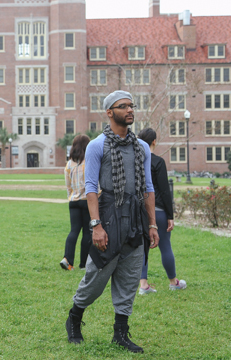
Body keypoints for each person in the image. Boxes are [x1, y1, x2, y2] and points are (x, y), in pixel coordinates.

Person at [65, 90, 159, 353]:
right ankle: (74, 318)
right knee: (96, 279)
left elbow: (148, 188)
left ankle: (120, 333)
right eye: (123, 106)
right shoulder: (97, 146)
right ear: (109, 112)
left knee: (129, 279)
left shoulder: (141, 148)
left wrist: (152, 224)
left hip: (136, 219)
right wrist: (96, 225)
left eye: (132, 105)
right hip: (108, 216)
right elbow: (91, 188)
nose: (130, 110)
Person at [137, 128, 187, 294]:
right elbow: (165, 191)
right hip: (158, 210)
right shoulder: (157, 161)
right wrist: (170, 215)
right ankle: (174, 282)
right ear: (154, 142)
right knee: (165, 246)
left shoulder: (135, 162)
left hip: (140, 212)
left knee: (143, 247)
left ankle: (143, 285)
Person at [60, 134, 92, 271]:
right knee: (87, 233)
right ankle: (83, 264)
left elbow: (68, 186)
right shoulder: (89, 162)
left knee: (73, 231)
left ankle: (67, 259)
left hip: (73, 201)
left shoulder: (69, 164)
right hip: (87, 200)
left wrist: (71, 197)